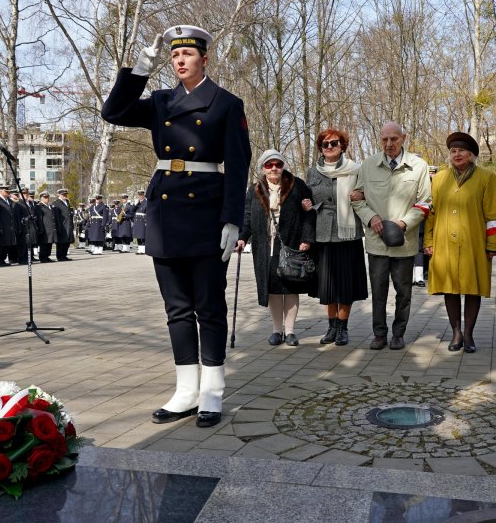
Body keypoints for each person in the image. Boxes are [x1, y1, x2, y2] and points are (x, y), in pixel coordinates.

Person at [101, 24, 251, 428]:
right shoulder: (161, 101)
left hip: (205, 210)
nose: (179, 61)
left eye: (186, 55)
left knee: (209, 305)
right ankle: (186, 390)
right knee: (177, 309)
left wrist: (233, 220)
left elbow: (238, 168)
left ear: (204, 58)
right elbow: (112, 112)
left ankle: (212, 391)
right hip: (166, 213)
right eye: (173, 56)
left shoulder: (225, 103)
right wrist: (140, 68)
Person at [351, 122, 431, 350]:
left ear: (403, 138)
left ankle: (398, 333)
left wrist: (404, 223)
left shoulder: (418, 166)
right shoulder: (368, 165)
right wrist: (371, 218)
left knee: (404, 291)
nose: (389, 144)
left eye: (394, 139)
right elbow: (357, 198)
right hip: (376, 244)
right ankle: (379, 334)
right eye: (384, 139)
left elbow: (425, 202)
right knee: (378, 292)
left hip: (404, 243)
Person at [425, 132, 496, 353]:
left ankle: (468, 334)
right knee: (450, 288)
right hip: (444, 242)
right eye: (453, 151)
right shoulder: (439, 178)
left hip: (474, 242)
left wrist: (493, 244)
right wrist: (428, 240)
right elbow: (432, 213)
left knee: (472, 287)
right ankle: (456, 332)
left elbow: (492, 214)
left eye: (461, 151)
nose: (456, 154)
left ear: (472, 155)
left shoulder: (486, 178)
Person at [238, 149, 315, 347]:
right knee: (272, 289)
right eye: (269, 165)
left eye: (278, 164)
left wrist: (307, 238)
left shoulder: (297, 185)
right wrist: (242, 238)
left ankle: (290, 332)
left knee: (290, 287)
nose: (274, 168)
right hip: (265, 247)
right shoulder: (255, 189)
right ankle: (276, 330)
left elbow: (309, 213)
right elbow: (247, 217)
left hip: (290, 244)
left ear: (283, 167)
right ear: (263, 168)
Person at [301, 129, 368, 346]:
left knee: (345, 284)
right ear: (320, 148)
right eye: (325, 144)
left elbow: (370, 193)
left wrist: (363, 194)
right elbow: (306, 198)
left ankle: (343, 329)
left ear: (342, 146)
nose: (330, 147)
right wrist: (307, 204)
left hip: (348, 234)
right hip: (323, 234)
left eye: (334, 143)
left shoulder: (357, 170)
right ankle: (331, 328)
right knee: (327, 285)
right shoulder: (312, 173)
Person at [0, 185, 17, 266]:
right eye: (6, 191)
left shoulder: (9, 201)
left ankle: (2, 260)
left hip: (9, 226)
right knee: (1, 245)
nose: (7, 193)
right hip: (2, 226)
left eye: (8, 191)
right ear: (0, 191)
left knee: (7, 244)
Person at [52, 189, 75, 261]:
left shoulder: (67, 202)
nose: (65, 196)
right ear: (59, 195)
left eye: (65, 194)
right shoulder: (56, 203)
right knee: (61, 242)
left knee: (67, 241)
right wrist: (58, 226)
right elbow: (56, 216)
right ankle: (60, 256)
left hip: (68, 224)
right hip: (62, 225)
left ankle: (64, 255)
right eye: (63, 195)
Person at [36, 192, 58, 262]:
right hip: (44, 228)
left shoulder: (50, 206)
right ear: (41, 198)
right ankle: (42, 257)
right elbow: (39, 219)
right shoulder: (39, 206)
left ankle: (47, 256)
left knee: (50, 243)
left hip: (51, 228)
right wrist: (40, 229)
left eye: (48, 197)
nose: (47, 199)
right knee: (44, 244)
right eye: (45, 197)